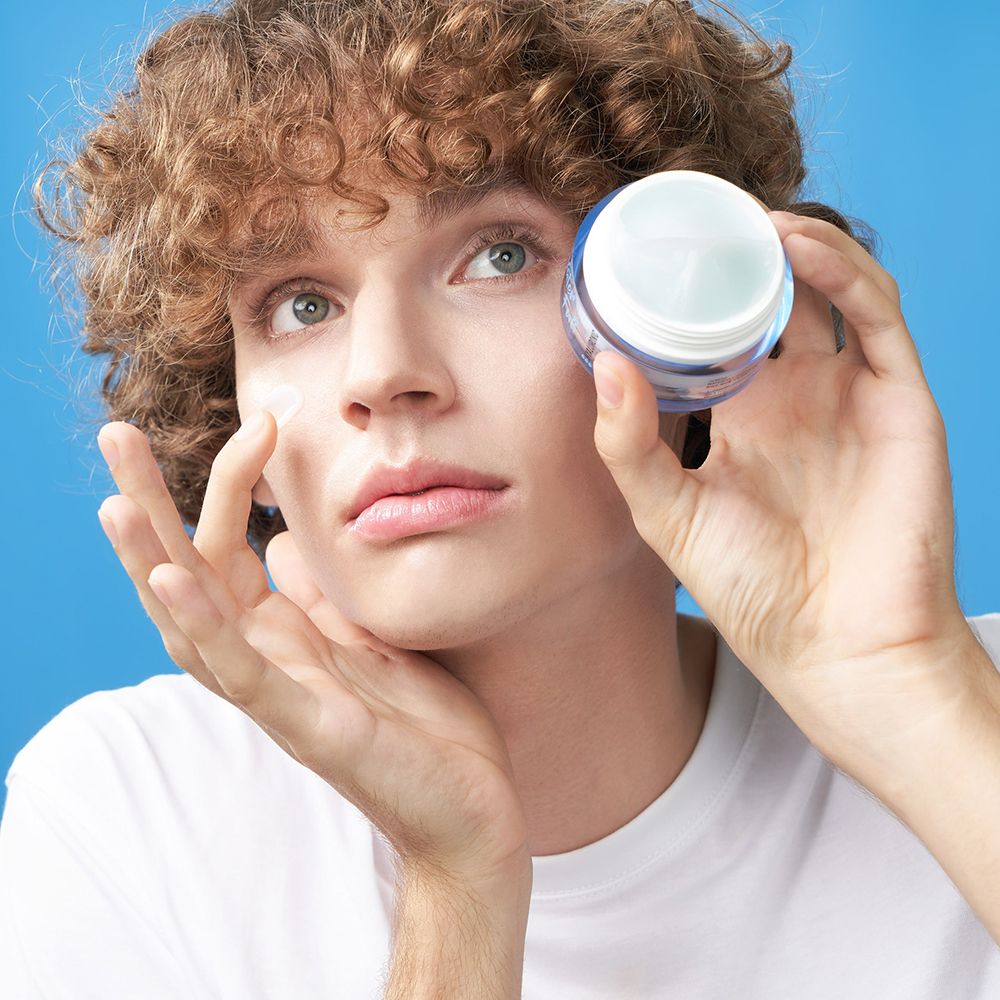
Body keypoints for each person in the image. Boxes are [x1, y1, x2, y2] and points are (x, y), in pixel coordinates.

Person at [2, 0, 999, 996]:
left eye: (500, 256)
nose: (383, 374)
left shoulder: (966, 710)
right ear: (238, 426)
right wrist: (458, 884)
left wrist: (910, 694)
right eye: (302, 306)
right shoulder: (132, 814)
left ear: (684, 326)